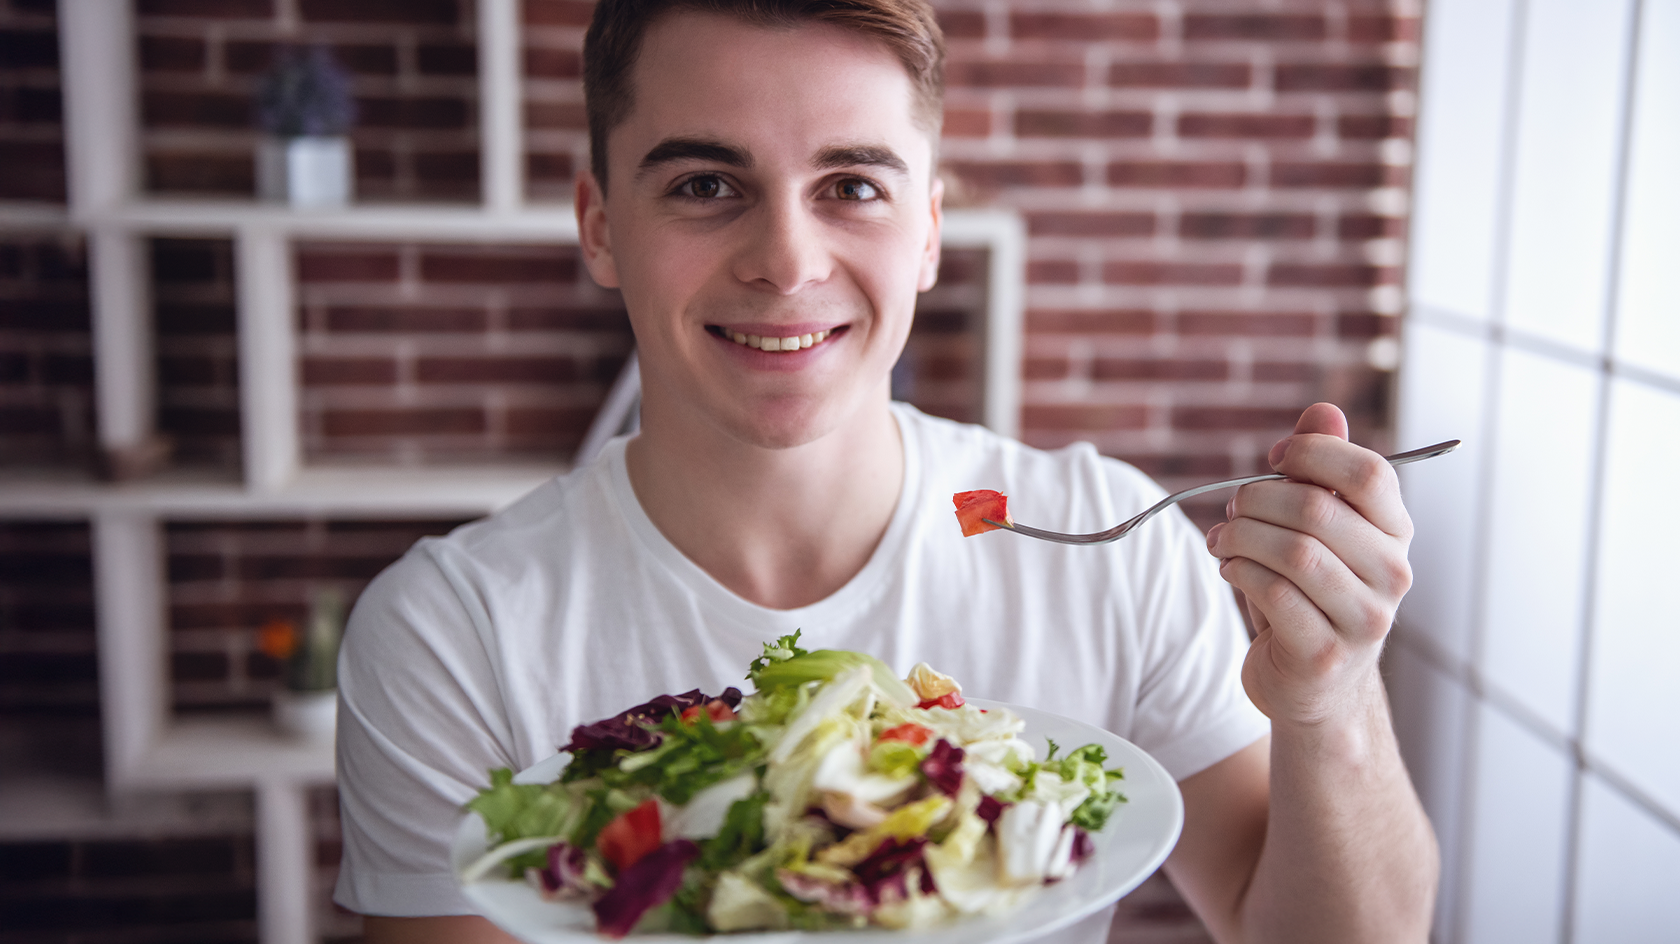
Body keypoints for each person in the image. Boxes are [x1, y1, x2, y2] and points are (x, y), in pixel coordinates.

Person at [333, 2, 1439, 942]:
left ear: (926, 233)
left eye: (852, 186)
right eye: (707, 183)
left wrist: (1330, 702)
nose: (787, 261)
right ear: (600, 224)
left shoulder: (1106, 534)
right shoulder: (450, 631)